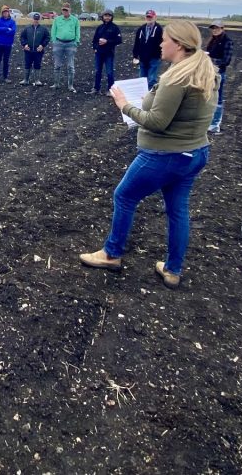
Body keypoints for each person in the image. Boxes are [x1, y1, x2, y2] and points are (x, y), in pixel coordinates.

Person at [80, 21, 218, 288]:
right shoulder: (204, 71)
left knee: (124, 195)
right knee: (178, 210)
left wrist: (124, 106)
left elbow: (156, 121)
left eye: (164, 40)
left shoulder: (176, 79)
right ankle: (173, 269)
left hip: (165, 155)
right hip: (195, 153)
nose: (160, 44)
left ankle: (111, 254)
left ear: (178, 44)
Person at [205, 20, 233, 133]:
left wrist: (211, 60)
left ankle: (215, 124)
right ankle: (208, 121)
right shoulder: (212, 41)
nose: (215, 30)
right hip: (209, 73)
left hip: (219, 74)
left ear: (222, 29)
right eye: (213, 28)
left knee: (218, 98)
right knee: (208, 97)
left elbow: (226, 61)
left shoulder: (227, 42)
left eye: (217, 28)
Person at [89, 9, 123, 94]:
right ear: (102, 17)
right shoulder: (99, 28)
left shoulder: (115, 28)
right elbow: (94, 40)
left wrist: (107, 41)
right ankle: (96, 88)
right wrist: (95, 48)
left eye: (109, 16)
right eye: (105, 15)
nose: (107, 17)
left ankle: (110, 90)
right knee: (97, 71)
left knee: (109, 72)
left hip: (109, 53)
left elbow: (119, 40)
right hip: (99, 53)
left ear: (111, 17)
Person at [51, 2, 80, 92]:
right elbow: (53, 30)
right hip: (58, 43)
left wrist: (76, 42)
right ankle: (56, 84)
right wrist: (54, 41)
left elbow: (77, 31)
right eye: (63, 10)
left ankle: (70, 85)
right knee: (57, 65)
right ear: (62, 10)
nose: (65, 11)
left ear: (70, 10)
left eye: (66, 10)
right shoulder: (57, 19)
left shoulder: (75, 20)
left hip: (71, 44)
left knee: (70, 66)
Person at [133, 9, 164, 87]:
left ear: (155, 17)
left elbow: (162, 43)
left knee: (152, 79)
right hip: (142, 57)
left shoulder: (159, 29)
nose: (149, 18)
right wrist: (135, 56)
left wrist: (161, 54)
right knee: (142, 78)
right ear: (145, 18)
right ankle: (142, 96)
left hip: (154, 57)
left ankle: (151, 96)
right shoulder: (141, 29)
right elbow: (136, 43)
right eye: (148, 17)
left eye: (151, 17)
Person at [18, 12, 50, 86]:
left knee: (37, 64)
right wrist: (25, 45)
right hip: (28, 50)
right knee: (27, 64)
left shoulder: (43, 29)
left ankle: (37, 80)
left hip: (38, 51)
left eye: (37, 19)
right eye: (35, 19)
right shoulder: (27, 28)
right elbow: (22, 37)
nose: (36, 21)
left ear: (40, 20)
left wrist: (42, 45)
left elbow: (47, 38)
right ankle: (26, 80)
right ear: (32, 19)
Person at [0, 5, 16, 83]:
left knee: (6, 61)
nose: (6, 13)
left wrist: (4, 30)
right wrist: (6, 29)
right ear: (2, 13)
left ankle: (5, 77)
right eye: (4, 12)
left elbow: (13, 31)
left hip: (8, 44)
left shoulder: (12, 22)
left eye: (7, 12)